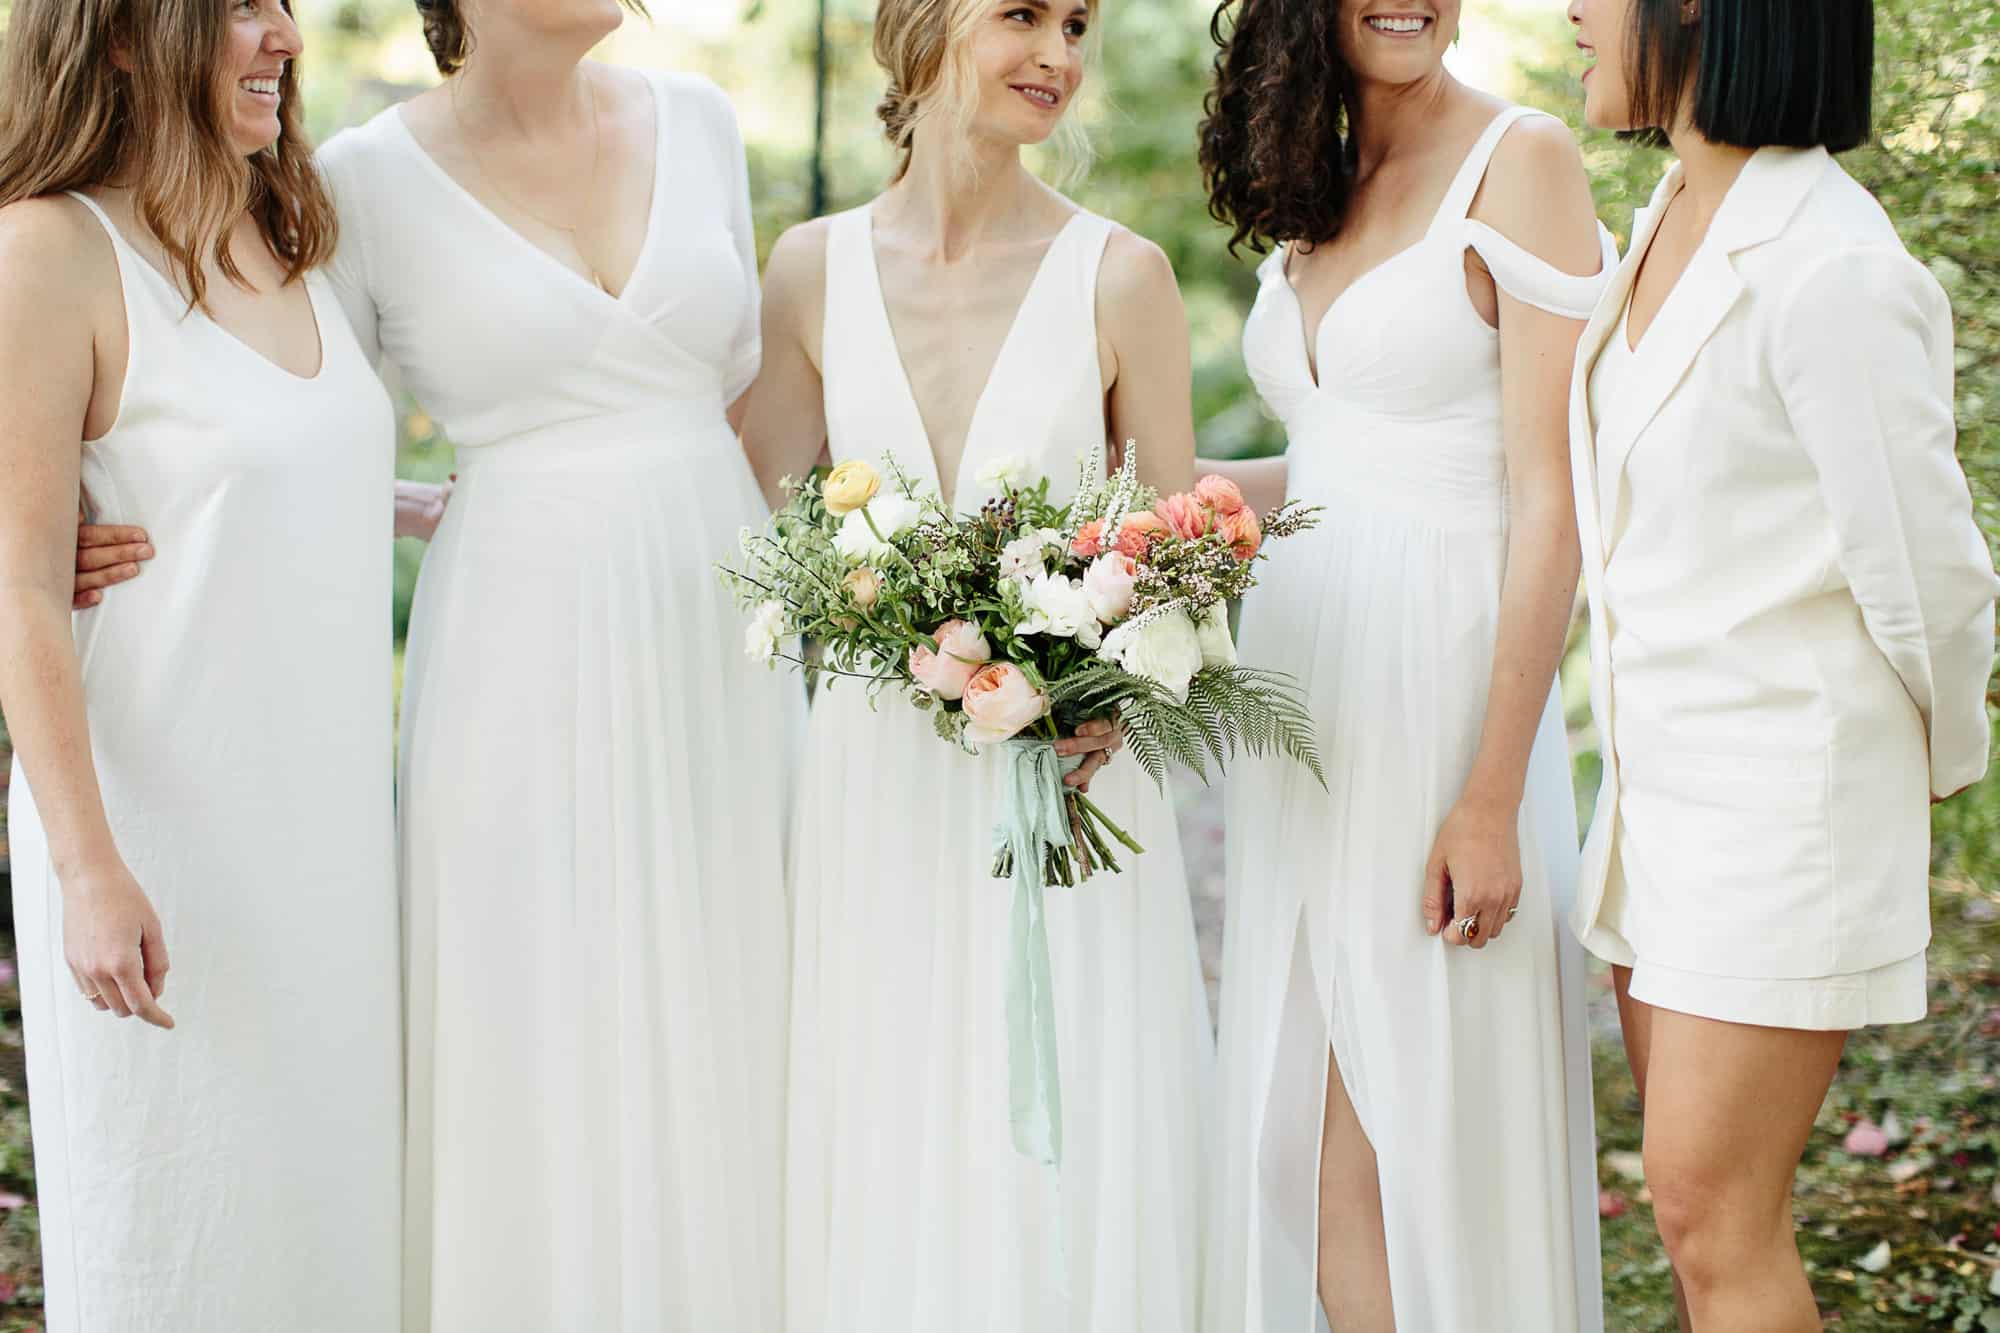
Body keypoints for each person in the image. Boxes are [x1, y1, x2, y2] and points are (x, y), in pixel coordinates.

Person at [317, 1, 801, 1325]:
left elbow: (753, 401)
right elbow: (304, 424)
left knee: (730, 979)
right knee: (536, 1003)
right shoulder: (360, 181)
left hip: (724, 630)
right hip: (514, 644)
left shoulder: (700, 122)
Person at [739, 1, 1214, 1328]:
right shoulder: (808, 273)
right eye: (1022, 14)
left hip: (1066, 786)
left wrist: (1102, 699)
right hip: (871, 783)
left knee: (1061, 1131)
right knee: (884, 1106)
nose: (1059, 52)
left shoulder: (1121, 277)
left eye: (1077, 22)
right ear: (927, 22)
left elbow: (1178, 555)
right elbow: (733, 508)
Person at [1565, 1, 1997, 1328]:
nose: (1573, 11)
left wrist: (1926, 767)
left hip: (1782, 808)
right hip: (1658, 804)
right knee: (1701, 1227)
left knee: (1711, 1214)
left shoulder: (1832, 262)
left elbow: (1931, 570)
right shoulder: (1661, 225)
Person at [1198, 1, 1615, 1328]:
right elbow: (1333, 460)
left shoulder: (1523, 159)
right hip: (1309, 703)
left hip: (1441, 697)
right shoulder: (1316, 179)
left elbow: (1549, 502)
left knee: (1417, 1129)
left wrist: (1493, 792)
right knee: (1293, 1137)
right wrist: (1159, 511)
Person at [0, 0, 401, 1328]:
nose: (285, 32)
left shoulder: (293, 234)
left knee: (328, 1243)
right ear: (122, 38)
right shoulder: (51, 251)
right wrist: (84, 867)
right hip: (156, 849)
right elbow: (21, 592)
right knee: (178, 1239)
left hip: (330, 856)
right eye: (240, 5)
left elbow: (283, 472)